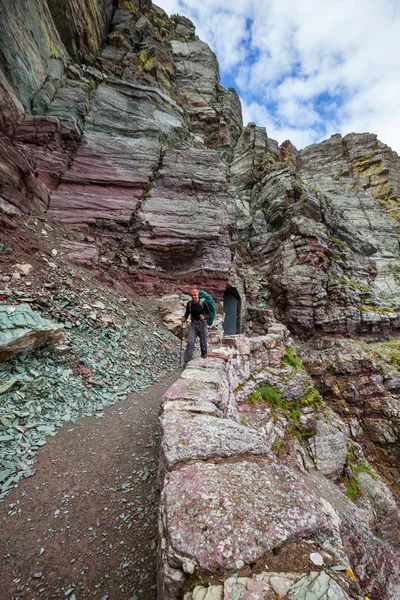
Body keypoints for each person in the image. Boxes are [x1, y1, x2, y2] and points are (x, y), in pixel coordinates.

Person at [181, 288, 210, 363]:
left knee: (203, 343)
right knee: (190, 342)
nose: (194, 296)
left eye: (195, 295)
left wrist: (204, 317)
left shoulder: (203, 302)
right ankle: (187, 361)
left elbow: (208, 314)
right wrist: (184, 318)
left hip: (202, 324)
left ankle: (204, 359)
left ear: (198, 295)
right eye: (192, 295)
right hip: (193, 323)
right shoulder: (189, 304)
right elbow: (187, 313)